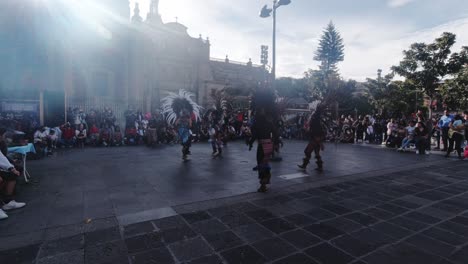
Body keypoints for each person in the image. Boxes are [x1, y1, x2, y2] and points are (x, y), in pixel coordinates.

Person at [0, 131, 26, 220]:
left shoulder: (3, 143)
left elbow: (1, 157)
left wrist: (11, 168)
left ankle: (7, 202)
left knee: (12, 175)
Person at [298, 106, 327, 172]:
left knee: (308, 151)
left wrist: (319, 140)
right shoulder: (317, 118)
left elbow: (315, 130)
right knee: (316, 153)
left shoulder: (316, 119)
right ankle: (319, 167)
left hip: (315, 138)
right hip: (316, 138)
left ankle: (305, 165)